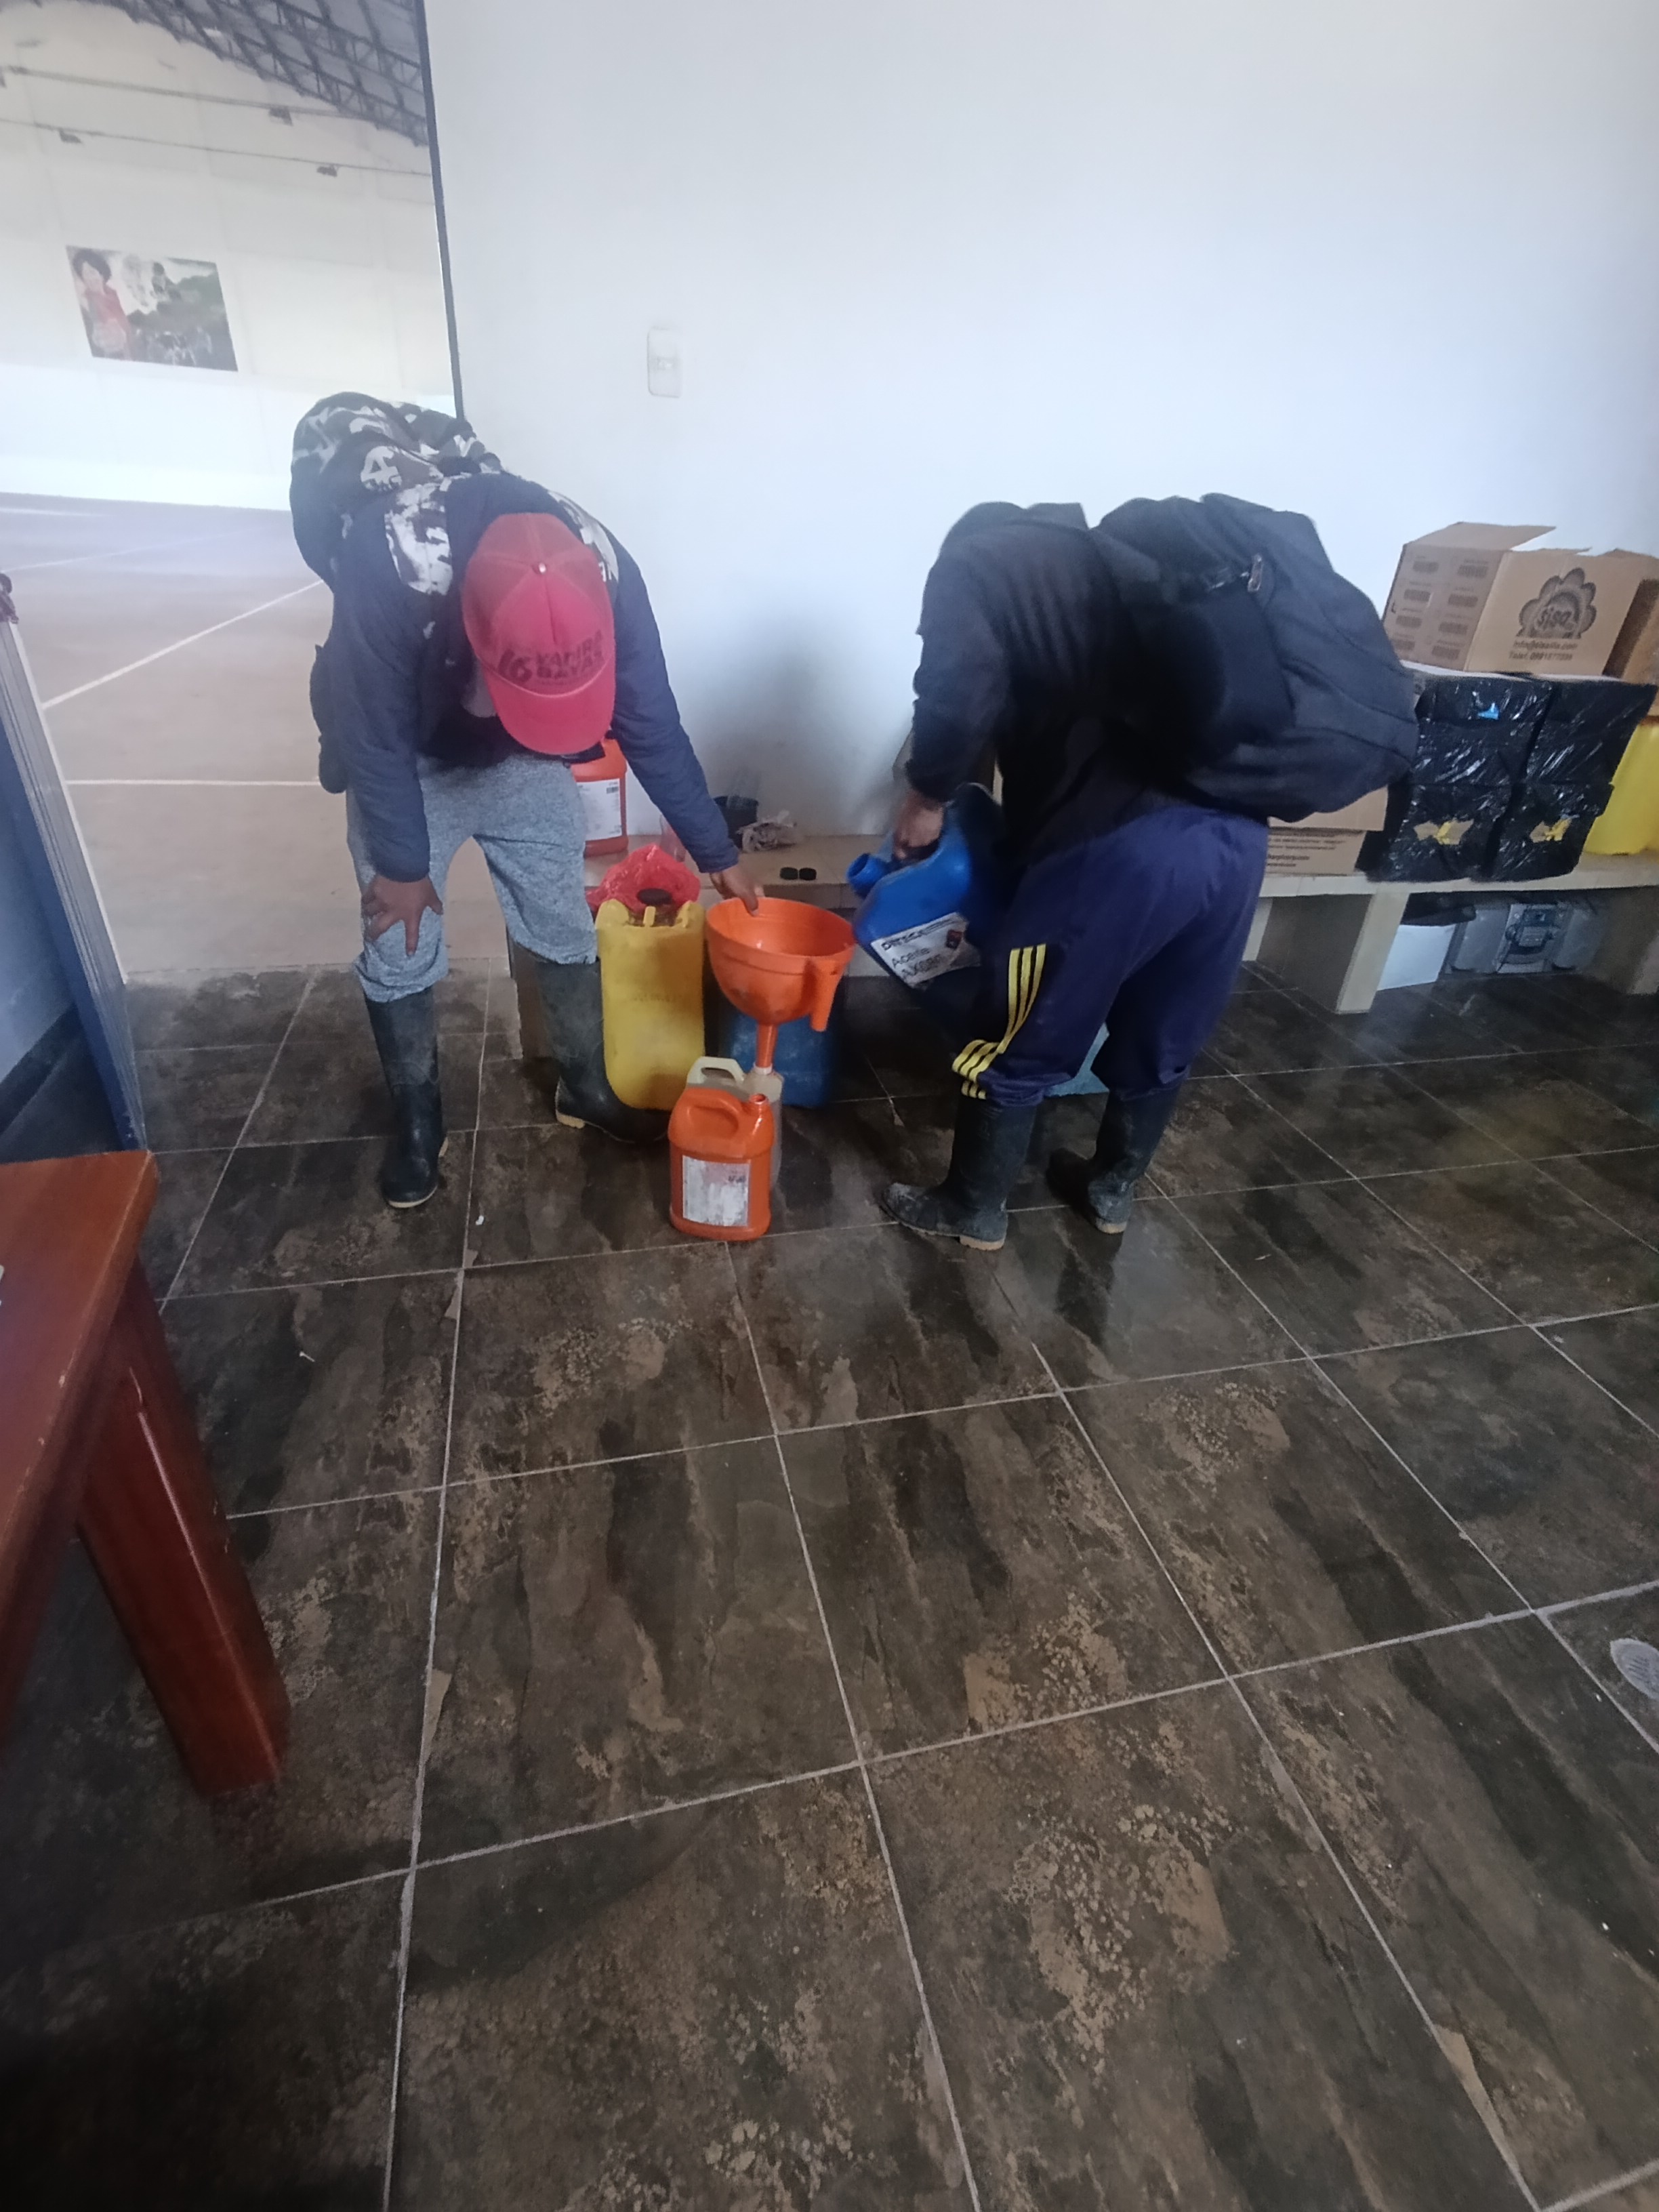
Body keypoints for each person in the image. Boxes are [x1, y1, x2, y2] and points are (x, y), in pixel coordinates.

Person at [291, 394, 758, 1208]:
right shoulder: (392, 561)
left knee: (562, 920)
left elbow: (651, 722)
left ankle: (587, 1086)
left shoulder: (606, 570)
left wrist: (716, 849)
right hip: (409, 759)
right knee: (400, 936)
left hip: (517, 758)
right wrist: (401, 866)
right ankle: (419, 1122)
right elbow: (373, 734)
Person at [881, 501, 1268, 1251]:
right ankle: (1110, 1188)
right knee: (1167, 1026)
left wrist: (925, 798)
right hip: (1238, 838)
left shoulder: (980, 566)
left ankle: (972, 1207)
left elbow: (956, 695)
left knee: (1020, 1027)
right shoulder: (1122, 586)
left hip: (1124, 846)